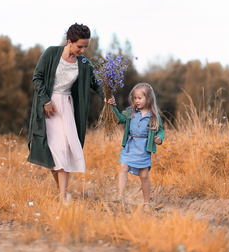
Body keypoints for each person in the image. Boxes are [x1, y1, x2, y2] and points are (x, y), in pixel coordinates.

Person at [27, 23, 104, 203]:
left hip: (66, 107)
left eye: (85, 46)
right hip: (48, 108)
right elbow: (37, 77)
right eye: (80, 46)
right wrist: (46, 100)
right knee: (52, 150)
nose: (83, 50)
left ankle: (62, 195)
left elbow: (96, 84)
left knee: (64, 149)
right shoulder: (51, 53)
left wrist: (107, 97)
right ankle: (62, 192)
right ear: (69, 41)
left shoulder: (84, 64)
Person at [109, 83, 164, 211]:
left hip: (144, 148)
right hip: (130, 145)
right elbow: (120, 119)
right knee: (123, 167)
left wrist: (159, 138)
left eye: (139, 98)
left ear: (148, 98)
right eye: (134, 98)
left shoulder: (154, 116)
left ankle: (146, 203)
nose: (136, 101)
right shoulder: (130, 111)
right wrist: (113, 107)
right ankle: (120, 196)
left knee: (144, 176)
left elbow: (160, 130)